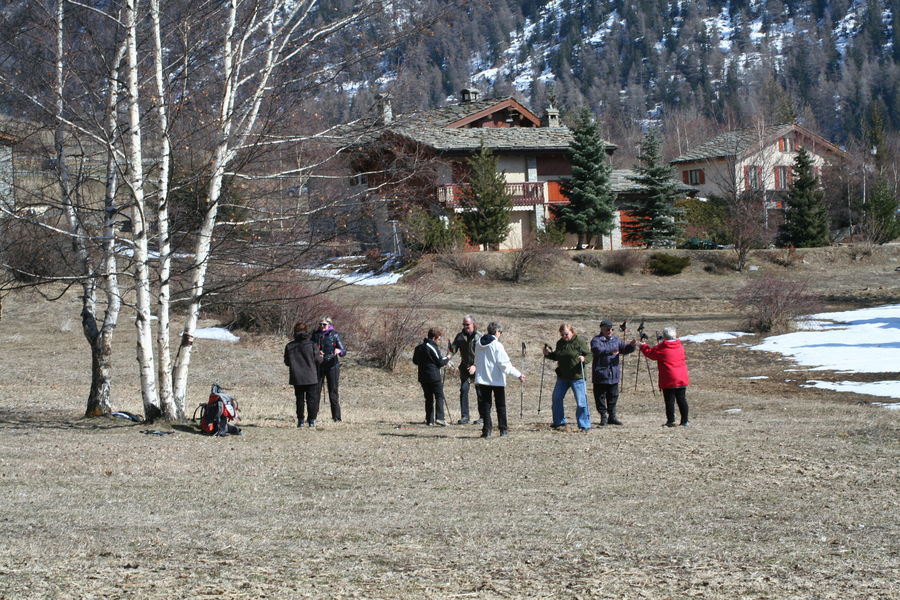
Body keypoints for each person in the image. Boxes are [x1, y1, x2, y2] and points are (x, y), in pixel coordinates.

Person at [474, 321, 525, 438]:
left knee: (486, 406)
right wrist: (518, 374)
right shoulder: (497, 345)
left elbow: (476, 360)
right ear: (496, 332)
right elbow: (504, 365)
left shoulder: (478, 343)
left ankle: (487, 430)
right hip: (496, 380)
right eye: (500, 332)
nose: (500, 334)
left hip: (483, 380)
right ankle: (503, 429)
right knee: (500, 405)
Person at [543, 323, 593, 432]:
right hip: (563, 377)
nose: (564, 336)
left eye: (566, 334)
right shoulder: (560, 343)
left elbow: (589, 354)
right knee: (556, 398)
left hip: (577, 376)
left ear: (572, 332)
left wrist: (584, 359)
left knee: (581, 402)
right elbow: (557, 356)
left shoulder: (579, 341)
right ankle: (559, 422)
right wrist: (548, 354)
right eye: (562, 335)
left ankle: (584, 425)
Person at [638, 327, 690, 427]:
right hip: (681, 377)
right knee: (682, 399)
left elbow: (651, 354)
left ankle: (671, 421)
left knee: (669, 400)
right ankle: (685, 421)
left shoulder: (663, 347)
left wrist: (643, 346)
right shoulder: (679, 346)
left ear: (665, 336)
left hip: (669, 377)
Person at [590, 319, 636, 426]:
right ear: (602, 329)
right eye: (608, 329)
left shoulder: (616, 340)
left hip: (613, 374)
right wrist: (610, 351)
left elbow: (624, 349)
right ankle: (603, 416)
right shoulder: (596, 340)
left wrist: (631, 346)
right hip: (600, 374)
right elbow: (597, 350)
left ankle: (612, 417)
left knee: (613, 396)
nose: (610, 331)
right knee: (600, 397)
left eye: (612, 329)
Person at [284, 322, 323, 428]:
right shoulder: (312, 345)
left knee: (299, 399)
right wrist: (321, 356)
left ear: (295, 331)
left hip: (297, 377)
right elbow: (318, 360)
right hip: (311, 376)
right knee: (312, 399)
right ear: (306, 331)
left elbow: (287, 362)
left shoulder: (289, 346)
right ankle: (312, 421)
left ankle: (300, 421)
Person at [412, 327, 451, 426]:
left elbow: (415, 361)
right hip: (434, 376)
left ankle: (429, 420)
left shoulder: (419, 347)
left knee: (428, 398)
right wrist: (447, 358)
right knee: (439, 396)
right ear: (434, 338)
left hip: (422, 376)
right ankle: (440, 418)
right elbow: (440, 362)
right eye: (438, 339)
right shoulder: (432, 347)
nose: (438, 342)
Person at [449, 315, 483, 425]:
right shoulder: (460, 336)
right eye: (464, 324)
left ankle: (483, 417)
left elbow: (484, 355)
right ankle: (465, 417)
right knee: (463, 390)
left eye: (467, 324)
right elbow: (453, 349)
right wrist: (446, 358)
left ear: (473, 324)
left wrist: (475, 365)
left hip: (479, 369)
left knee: (480, 393)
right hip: (465, 369)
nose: (465, 326)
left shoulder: (480, 337)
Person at [312, 316, 346, 422]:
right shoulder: (315, 335)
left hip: (332, 366)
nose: (322, 326)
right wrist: (316, 352)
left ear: (329, 325)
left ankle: (336, 417)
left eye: (324, 324)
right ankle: (313, 417)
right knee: (315, 391)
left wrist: (339, 351)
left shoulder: (335, 335)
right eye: (320, 324)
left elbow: (343, 351)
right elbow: (309, 349)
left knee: (333, 392)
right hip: (319, 365)